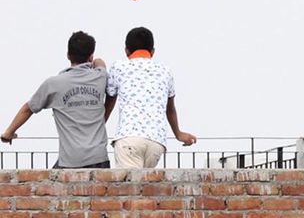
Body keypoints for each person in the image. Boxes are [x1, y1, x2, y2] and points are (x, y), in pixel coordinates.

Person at [1, 32, 111, 168]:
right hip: (99, 158)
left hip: (70, 160)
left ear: (68, 55)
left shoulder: (54, 84)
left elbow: (28, 108)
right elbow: (101, 63)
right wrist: (95, 61)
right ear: (90, 56)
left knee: (48, 185)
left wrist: (9, 132)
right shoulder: (100, 77)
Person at [105, 27, 197, 168]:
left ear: (126, 50)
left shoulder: (119, 67)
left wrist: (97, 128)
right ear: (153, 51)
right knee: (143, 187)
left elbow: (109, 103)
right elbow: (170, 108)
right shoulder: (165, 71)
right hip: (156, 142)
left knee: (129, 189)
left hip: (129, 139)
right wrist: (178, 133)